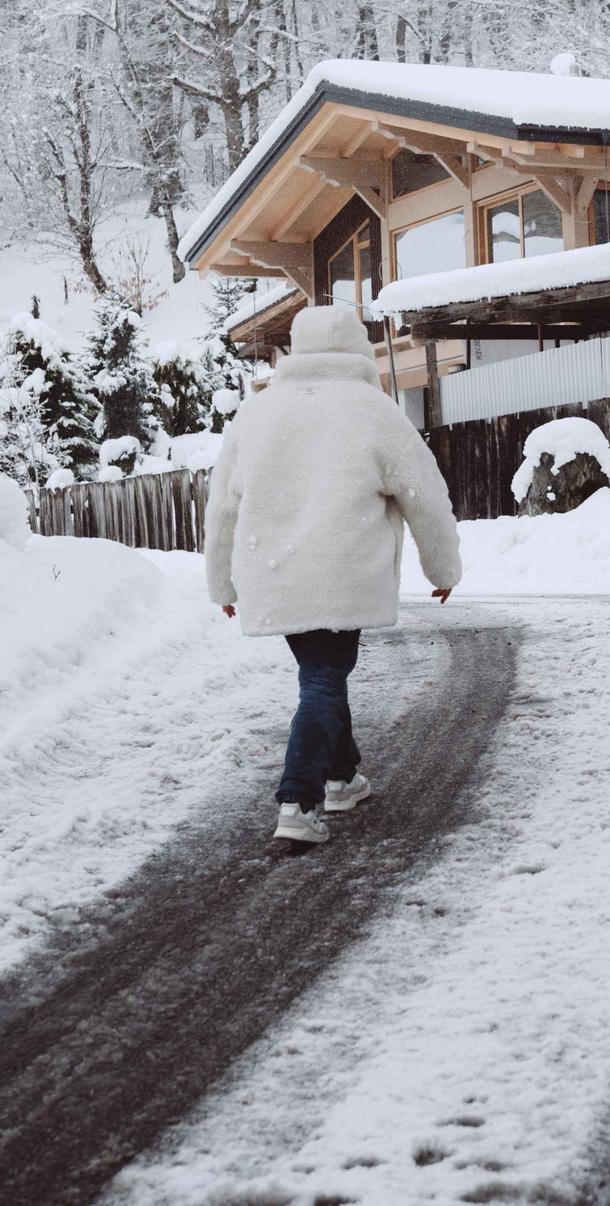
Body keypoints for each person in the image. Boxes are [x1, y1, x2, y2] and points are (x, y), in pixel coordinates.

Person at [203, 303, 462, 845]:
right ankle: (298, 799)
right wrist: (442, 566)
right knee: (323, 678)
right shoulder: (373, 409)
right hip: (345, 572)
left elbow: (223, 505)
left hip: (275, 573)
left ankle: (342, 778)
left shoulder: (257, 412)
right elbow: (423, 492)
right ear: (356, 349)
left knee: (321, 673)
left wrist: (222, 582)